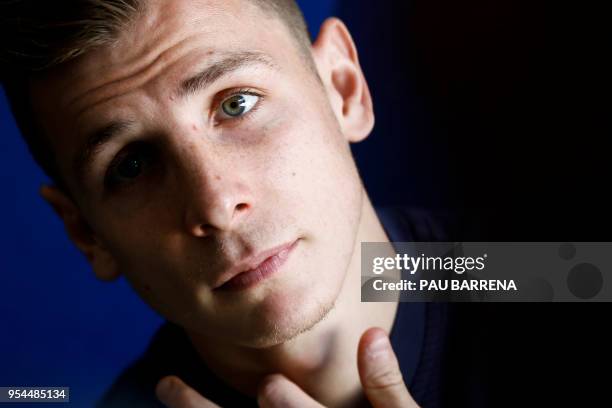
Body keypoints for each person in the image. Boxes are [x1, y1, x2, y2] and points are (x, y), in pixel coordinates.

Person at [0, 1, 479, 407]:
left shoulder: (540, 278)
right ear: (87, 233)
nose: (216, 204)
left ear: (342, 87)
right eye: (132, 166)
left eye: (237, 104)